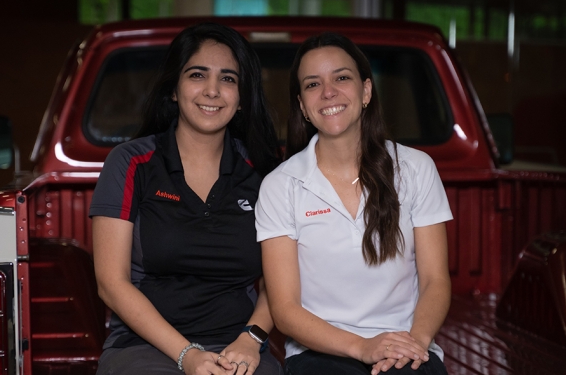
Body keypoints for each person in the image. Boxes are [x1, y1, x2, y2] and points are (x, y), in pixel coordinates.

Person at [90, 22, 283, 375]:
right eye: (197, 75)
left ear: (241, 97)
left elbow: (282, 280)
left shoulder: (266, 172)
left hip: (238, 345)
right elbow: (110, 283)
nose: (212, 91)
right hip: (144, 347)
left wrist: (251, 339)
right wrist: (187, 355)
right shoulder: (131, 162)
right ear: (174, 90)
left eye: (228, 79)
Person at [255, 32, 452, 375]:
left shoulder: (416, 169)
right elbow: (285, 309)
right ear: (302, 105)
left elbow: (436, 279)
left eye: (341, 78)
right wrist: (362, 347)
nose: (328, 91)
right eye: (312, 84)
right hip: (320, 351)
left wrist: (415, 342)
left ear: (366, 91)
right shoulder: (280, 185)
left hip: (408, 343)